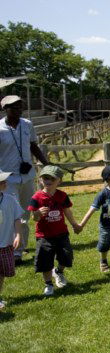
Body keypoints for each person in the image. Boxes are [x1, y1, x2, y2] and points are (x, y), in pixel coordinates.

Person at [0, 95, 48, 263]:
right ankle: (7, 248)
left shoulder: (27, 125)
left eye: (20, 108)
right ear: (5, 109)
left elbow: (33, 146)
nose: (19, 111)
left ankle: (18, 252)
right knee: (10, 215)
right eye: (14, 108)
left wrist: (46, 164)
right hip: (7, 180)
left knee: (25, 214)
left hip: (27, 177)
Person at [27, 165, 82, 296]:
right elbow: (34, 218)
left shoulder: (62, 196)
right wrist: (38, 213)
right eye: (45, 177)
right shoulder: (37, 197)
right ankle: (48, 284)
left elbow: (67, 211)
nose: (48, 180)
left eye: (52, 178)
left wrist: (74, 224)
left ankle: (59, 272)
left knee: (67, 256)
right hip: (44, 236)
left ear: (59, 181)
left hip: (62, 233)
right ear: (41, 180)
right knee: (45, 261)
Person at [0, 171, 25, 309]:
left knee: (2, 272)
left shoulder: (10, 199)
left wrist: (18, 235)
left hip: (5, 243)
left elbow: (17, 218)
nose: (5, 182)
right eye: (2, 181)